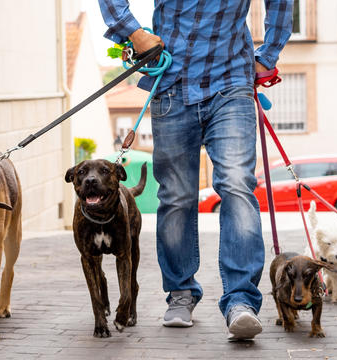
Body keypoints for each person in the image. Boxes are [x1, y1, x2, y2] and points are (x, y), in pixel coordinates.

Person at [98, 0, 293, 340]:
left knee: (236, 184)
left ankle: (241, 302)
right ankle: (180, 293)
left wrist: (268, 54)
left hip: (231, 84)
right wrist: (133, 32)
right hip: (172, 85)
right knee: (176, 196)